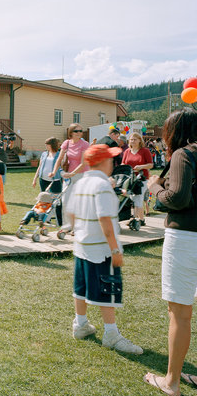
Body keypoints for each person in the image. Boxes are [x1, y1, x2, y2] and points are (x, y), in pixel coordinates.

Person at [67, 144, 142, 355]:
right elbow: (105, 219)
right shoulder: (102, 186)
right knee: (108, 289)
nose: (113, 163)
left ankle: (80, 324)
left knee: (80, 288)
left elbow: (70, 213)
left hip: (82, 245)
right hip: (100, 249)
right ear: (102, 162)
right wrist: (115, 250)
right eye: (110, 159)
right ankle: (111, 334)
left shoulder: (80, 183)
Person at [144, 108, 197, 396]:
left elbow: (177, 198)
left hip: (187, 236)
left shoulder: (182, 154)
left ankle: (172, 382)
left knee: (180, 312)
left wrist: (155, 189)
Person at [51, 123, 90, 231]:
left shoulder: (85, 144)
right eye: (77, 131)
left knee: (79, 202)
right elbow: (59, 159)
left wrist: (72, 174)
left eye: (81, 131)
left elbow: (83, 163)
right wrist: (54, 172)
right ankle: (67, 226)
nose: (80, 133)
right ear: (71, 133)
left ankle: (78, 228)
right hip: (69, 175)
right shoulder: (67, 143)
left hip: (81, 175)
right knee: (66, 200)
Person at [121, 132, 154, 225]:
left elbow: (151, 165)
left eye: (135, 139)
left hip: (142, 179)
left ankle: (134, 219)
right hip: (130, 179)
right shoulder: (127, 151)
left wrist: (141, 167)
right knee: (132, 198)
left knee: (138, 197)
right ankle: (142, 219)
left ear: (140, 140)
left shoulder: (145, 151)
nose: (133, 141)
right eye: (131, 139)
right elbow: (123, 163)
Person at [33, 137, 63, 225]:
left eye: (47, 144)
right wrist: (35, 179)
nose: (46, 146)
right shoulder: (44, 154)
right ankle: (44, 218)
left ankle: (60, 221)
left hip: (55, 180)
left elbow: (61, 166)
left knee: (57, 201)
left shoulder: (58, 154)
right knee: (44, 199)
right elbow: (39, 167)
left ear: (52, 145)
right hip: (43, 179)